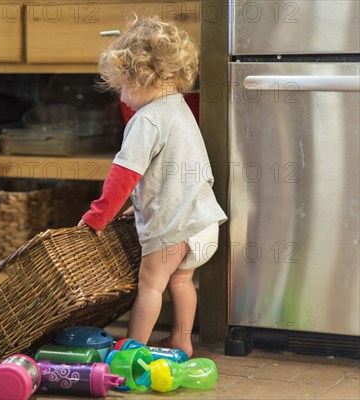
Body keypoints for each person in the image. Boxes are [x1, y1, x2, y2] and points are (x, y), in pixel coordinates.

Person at [78, 16, 227, 357]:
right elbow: (170, 173)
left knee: (149, 286)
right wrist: (140, 204)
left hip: (173, 230)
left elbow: (123, 175)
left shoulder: (145, 121)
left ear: (141, 77)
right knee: (181, 281)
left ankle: (131, 350)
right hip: (203, 224)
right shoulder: (180, 110)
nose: (123, 97)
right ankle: (181, 340)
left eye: (123, 87)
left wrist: (97, 217)